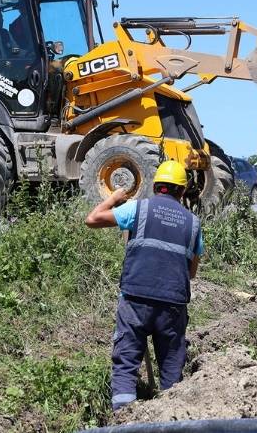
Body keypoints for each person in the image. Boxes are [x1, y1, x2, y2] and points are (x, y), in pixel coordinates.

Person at [84, 161, 203, 412]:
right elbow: (191, 272)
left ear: (156, 185)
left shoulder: (137, 209)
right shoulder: (193, 223)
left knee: (126, 361)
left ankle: (123, 418)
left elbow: (92, 219)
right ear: (182, 191)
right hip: (173, 303)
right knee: (171, 366)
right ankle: (173, 419)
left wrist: (114, 197)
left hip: (135, 299)